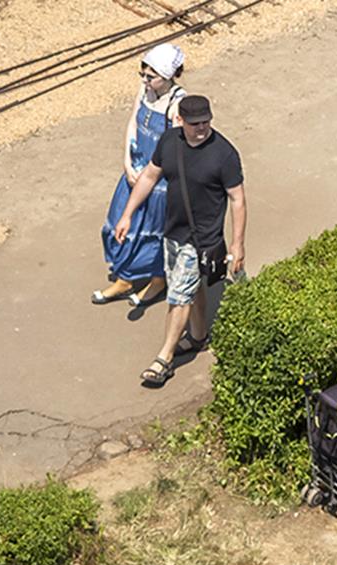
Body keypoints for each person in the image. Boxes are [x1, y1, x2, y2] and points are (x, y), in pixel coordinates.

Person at [121, 92, 246, 389]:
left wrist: (237, 244)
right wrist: (127, 214)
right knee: (192, 288)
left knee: (179, 295)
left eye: (205, 122)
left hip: (201, 239)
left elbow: (237, 199)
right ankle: (199, 336)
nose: (201, 128)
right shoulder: (169, 142)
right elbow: (150, 176)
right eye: (194, 124)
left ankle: (164, 359)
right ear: (180, 121)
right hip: (173, 231)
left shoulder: (224, 154)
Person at [95, 45, 186, 307]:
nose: (145, 80)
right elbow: (133, 122)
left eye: (151, 76)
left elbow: (177, 146)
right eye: (143, 74)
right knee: (121, 223)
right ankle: (124, 278)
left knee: (152, 231)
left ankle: (157, 280)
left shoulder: (177, 103)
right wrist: (126, 162)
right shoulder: (145, 90)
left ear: (169, 75)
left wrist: (151, 173)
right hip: (135, 168)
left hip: (159, 178)